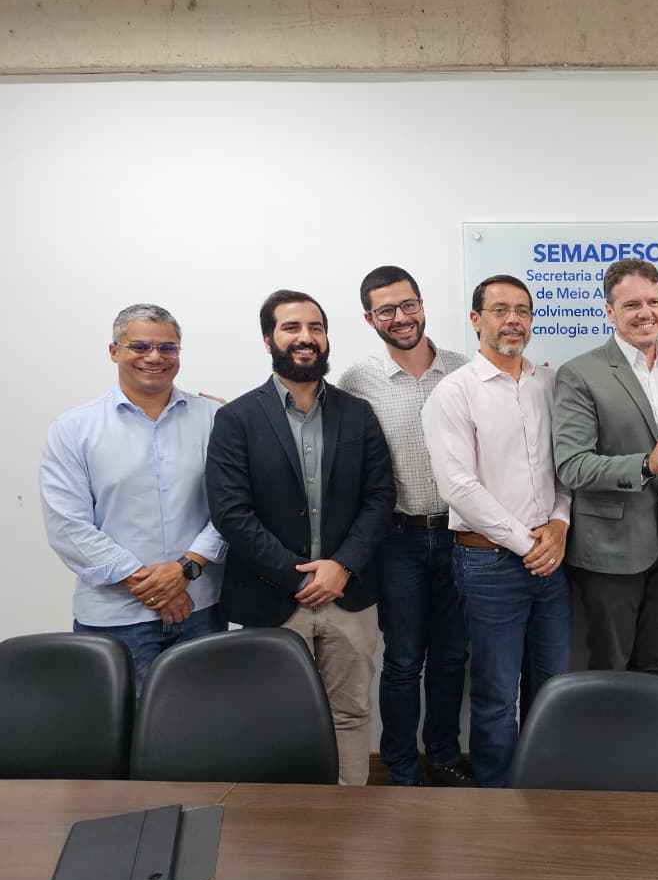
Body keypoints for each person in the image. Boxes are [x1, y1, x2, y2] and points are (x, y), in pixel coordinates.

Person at [205, 289, 395, 785]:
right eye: (291, 328)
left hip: (348, 596)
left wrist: (342, 566)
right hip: (271, 597)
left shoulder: (358, 413)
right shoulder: (236, 419)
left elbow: (380, 498)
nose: (305, 337)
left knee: (351, 714)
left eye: (315, 327)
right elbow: (231, 513)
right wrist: (298, 577)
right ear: (268, 339)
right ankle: (286, 824)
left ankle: (347, 816)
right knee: (274, 717)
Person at [423, 274, 571, 788]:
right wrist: (528, 542)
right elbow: (458, 487)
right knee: (495, 695)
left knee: (552, 687)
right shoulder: (454, 393)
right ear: (476, 319)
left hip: (551, 558)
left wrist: (560, 522)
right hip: (489, 563)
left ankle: (543, 792)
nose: (513, 320)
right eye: (500, 310)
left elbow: (564, 465)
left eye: (523, 311)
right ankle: (497, 802)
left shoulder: (549, 384)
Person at [40, 304, 226, 694]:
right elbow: (68, 527)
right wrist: (156, 588)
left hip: (201, 611)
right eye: (139, 346)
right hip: (113, 620)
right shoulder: (73, 429)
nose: (154, 357)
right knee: (118, 727)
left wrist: (184, 571)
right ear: (114, 351)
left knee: (206, 725)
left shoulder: (214, 419)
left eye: (167, 348)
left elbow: (232, 509)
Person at [338, 266, 471, 788]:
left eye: (408, 305)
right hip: (397, 540)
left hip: (461, 535)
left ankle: (443, 757)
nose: (401, 317)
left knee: (452, 656)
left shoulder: (463, 369)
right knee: (403, 660)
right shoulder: (357, 380)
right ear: (369, 319)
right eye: (386, 310)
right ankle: (400, 769)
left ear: (422, 304)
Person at [552, 260, 658, 674]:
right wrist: (645, 465)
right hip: (610, 550)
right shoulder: (580, 374)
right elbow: (572, 466)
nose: (645, 312)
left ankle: (649, 723)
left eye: (653, 301)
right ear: (609, 311)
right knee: (610, 668)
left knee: (657, 662)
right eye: (631, 304)